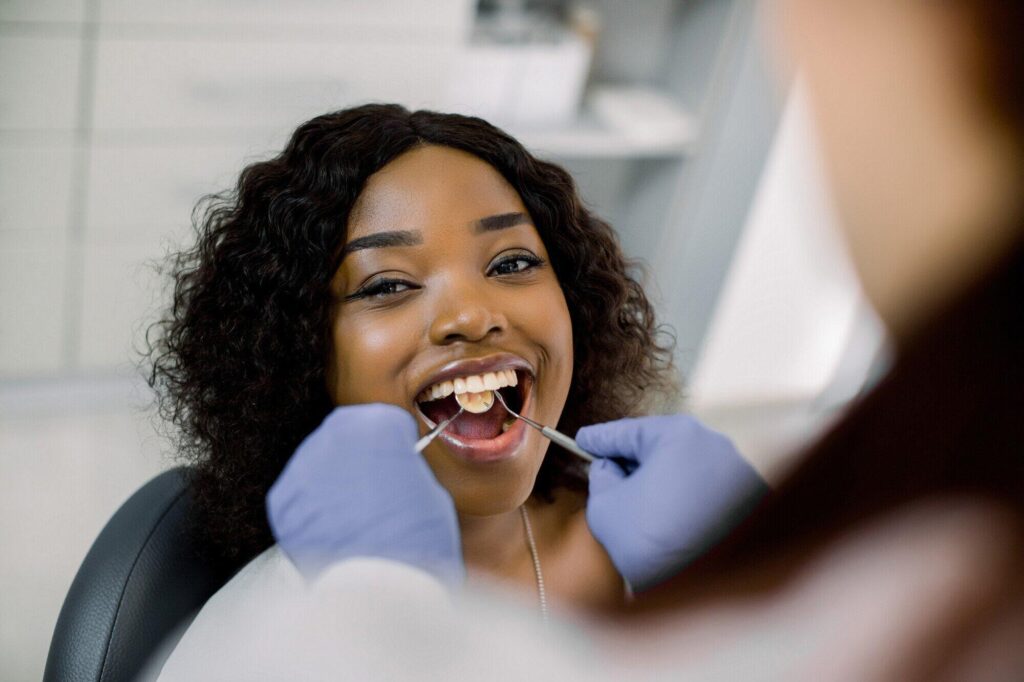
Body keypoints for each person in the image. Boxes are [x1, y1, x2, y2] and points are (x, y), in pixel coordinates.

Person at [148, 103, 766, 678]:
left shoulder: (675, 539)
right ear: (300, 351)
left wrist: (751, 580)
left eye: (511, 263)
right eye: (387, 284)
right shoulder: (268, 637)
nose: (472, 316)